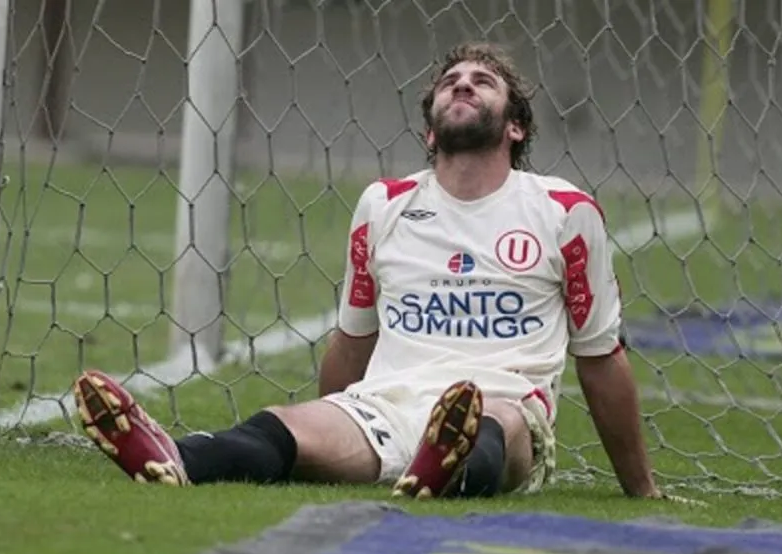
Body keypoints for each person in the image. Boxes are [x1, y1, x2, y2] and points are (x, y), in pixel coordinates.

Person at [73, 41, 664, 500]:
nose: (463, 85)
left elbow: (600, 356)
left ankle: (449, 465)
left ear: (516, 127)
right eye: (450, 82)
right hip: (387, 404)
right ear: (431, 129)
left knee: (491, 425)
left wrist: (642, 489)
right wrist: (335, 419)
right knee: (277, 428)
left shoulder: (563, 211)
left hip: (507, 405)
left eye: (483, 82)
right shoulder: (385, 205)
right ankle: (175, 457)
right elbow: (353, 341)